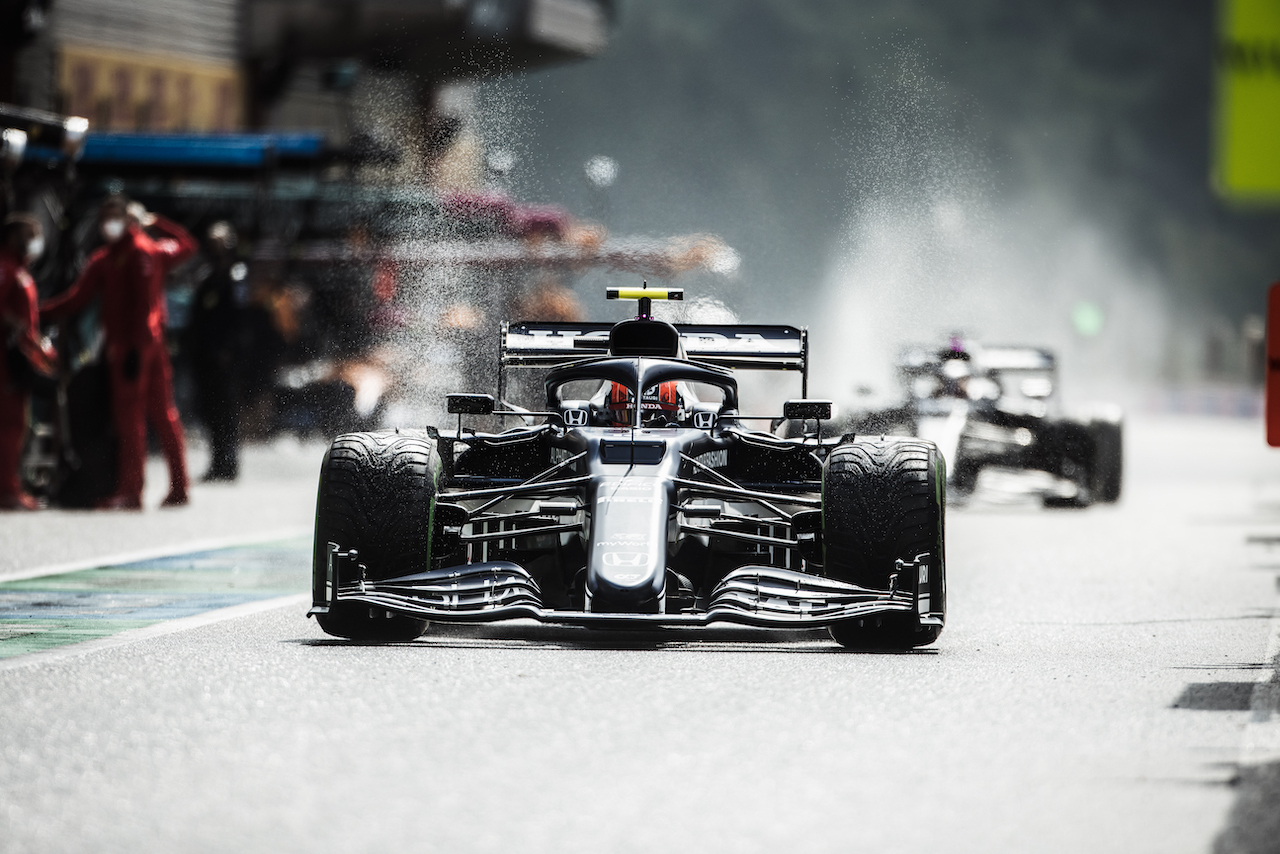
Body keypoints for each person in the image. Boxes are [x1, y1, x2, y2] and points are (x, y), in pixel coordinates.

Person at [40, 196, 197, 509]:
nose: (107, 224)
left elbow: (142, 304)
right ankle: (177, 488)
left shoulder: (136, 251)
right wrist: (39, 311)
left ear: (128, 219)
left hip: (132, 347)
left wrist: (135, 348)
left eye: (114, 216)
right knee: (163, 416)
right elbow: (75, 298)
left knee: (132, 419)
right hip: (150, 344)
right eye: (104, 217)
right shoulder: (114, 257)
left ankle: (132, 490)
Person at [0, 213, 57, 510]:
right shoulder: (6, 267)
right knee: (11, 425)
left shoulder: (19, 270)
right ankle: (8, 489)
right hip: (7, 361)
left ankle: (11, 485)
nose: (34, 241)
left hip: (19, 358)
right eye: (28, 234)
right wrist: (17, 327)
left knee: (17, 424)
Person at [186, 221, 245, 481]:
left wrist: (229, 349)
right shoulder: (206, 275)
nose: (215, 247)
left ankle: (229, 464)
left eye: (219, 242)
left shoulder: (237, 275)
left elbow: (241, 317)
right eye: (211, 242)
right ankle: (217, 463)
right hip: (204, 355)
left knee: (226, 412)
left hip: (226, 359)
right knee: (210, 411)